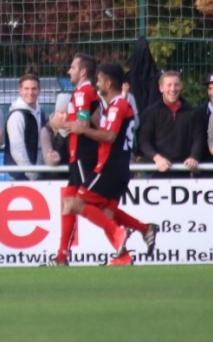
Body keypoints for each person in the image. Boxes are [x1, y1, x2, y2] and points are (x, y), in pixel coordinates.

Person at [65, 63, 159, 266]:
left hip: (108, 168)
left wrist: (82, 130)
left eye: (99, 80)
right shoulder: (118, 106)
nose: (97, 83)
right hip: (121, 170)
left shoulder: (118, 106)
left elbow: (109, 136)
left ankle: (119, 233)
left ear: (108, 83)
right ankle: (135, 242)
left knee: (77, 204)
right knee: (106, 213)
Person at [47, 53, 102, 266]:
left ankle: (120, 233)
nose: (69, 71)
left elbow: (83, 125)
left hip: (82, 154)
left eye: (72, 67)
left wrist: (59, 123)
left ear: (83, 71)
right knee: (68, 204)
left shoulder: (82, 93)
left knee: (85, 203)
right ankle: (62, 256)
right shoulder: (87, 93)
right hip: (77, 154)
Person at [138, 71, 203, 176]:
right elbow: (144, 141)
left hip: (183, 171)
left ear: (180, 87)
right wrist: (157, 158)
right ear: (161, 88)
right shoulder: (150, 113)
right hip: (156, 171)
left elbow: (198, 139)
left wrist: (193, 157)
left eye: (176, 85)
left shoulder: (192, 113)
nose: (173, 89)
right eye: (169, 85)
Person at [5, 74, 47, 181]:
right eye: (26, 89)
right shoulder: (17, 115)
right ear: (20, 90)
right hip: (21, 175)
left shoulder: (40, 113)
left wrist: (38, 170)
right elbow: (17, 149)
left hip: (37, 173)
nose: (30, 92)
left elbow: (41, 144)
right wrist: (32, 174)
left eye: (34, 89)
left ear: (39, 90)